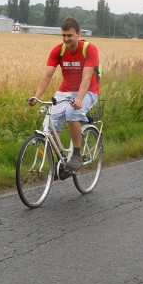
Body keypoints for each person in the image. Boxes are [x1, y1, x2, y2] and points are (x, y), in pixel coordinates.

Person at [28, 16, 100, 178]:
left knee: (72, 113)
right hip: (65, 91)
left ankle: (76, 154)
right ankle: (62, 159)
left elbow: (87, 78)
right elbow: (47, 75)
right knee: (50, 123)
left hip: (88, 91)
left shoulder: (89, 49)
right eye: (64, 35)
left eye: (70, 35)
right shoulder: (58, 50)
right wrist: (36, 96)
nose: (66, 39)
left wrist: (80, 99)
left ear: (78, 34)